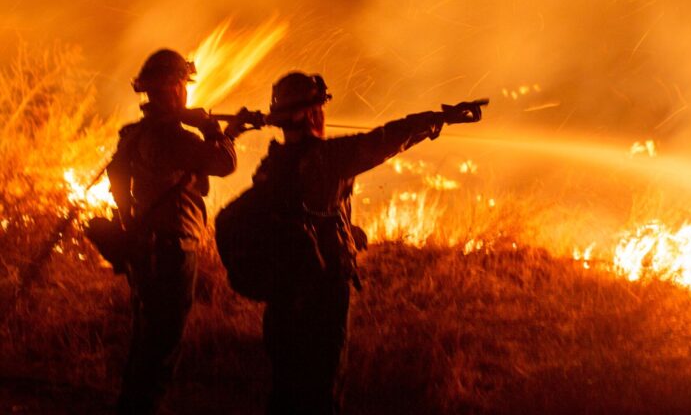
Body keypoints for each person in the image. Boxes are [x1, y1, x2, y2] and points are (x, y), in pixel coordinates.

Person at [254, 71, 484, 414]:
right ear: (310, 113)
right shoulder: (330, 157)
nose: (322, 115)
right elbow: (387, 139)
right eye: (318, 107)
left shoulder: (269, 166)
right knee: (321, 385)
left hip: (282, 291)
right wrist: (438, 119)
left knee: (286, 386)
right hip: (323, 287)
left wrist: (346, 229)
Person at [107, 49, 243, 414]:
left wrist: (127, 220)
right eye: (183, 83)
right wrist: (213, 129)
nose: (186, 90)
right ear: (174, 87)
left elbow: (116, 178)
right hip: (172, 250)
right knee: (162, 345)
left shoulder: (135, 134)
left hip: (144, 246)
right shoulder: (173, 138)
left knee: (145, 340)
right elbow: (224, 163)